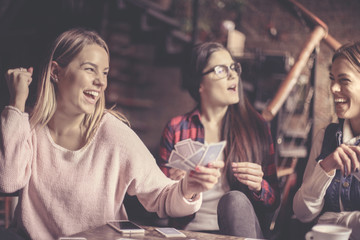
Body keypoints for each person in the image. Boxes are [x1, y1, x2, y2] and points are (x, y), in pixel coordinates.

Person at [0, 28, 224, 240]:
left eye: (105, 72)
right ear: (56, 71)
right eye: (90, 69)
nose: (101, 81)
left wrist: (189, 188)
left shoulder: (112, 132)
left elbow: (161, 196)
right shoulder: (27, 127)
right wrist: (16, 103)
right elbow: (8, 182)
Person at [157, 42, 280, 238]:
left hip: (241, 232)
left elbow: (274, 201)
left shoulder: (257, 127)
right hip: (189, 232)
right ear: (200, 83)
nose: (233, 75)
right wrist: (178, 188)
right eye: (221, 70)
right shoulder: (176, 128)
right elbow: (160, 206)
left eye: (233, 67)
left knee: (235, 200)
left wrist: (259, 186)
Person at [293, 41, 360, 240]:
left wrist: (329, 221)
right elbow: (303, 214)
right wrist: (326, 167)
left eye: (344, 80)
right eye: (332, 79)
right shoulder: (326, 137)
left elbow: (317, 224)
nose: (333, 88)